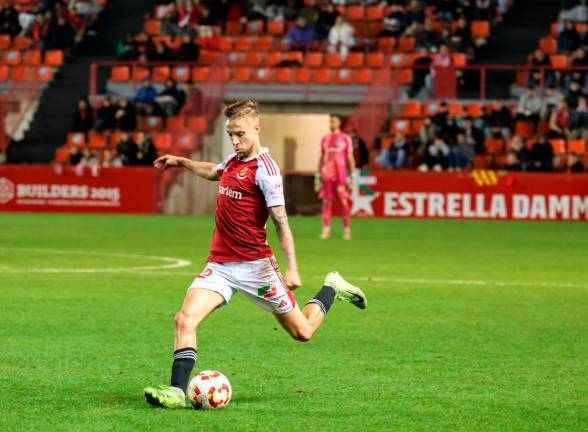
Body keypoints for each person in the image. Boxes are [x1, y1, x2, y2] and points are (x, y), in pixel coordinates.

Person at [143, 99, 366, 409]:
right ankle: (177, 392)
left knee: (303, 332)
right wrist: (180, 161)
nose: (235, 141)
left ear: (257, 128)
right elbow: (212, 171)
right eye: (231, 134)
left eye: (240, 134)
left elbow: (281, 223)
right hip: (220, 266)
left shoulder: (267, 171)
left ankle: (332, 287)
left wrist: (293, 269)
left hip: (257, 268)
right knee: (184, 319)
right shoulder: (234, 162)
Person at [315, 114, 355, 241]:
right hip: (327, 175)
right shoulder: (325, 139)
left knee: (344, 203)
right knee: (327, 202)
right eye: (330, 121)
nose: (331, 123)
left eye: (334, 121)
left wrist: (352, 175)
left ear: (339, 122)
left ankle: (347, 230)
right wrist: (317, 175)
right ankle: (326, 230)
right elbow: (321, 157)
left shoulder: (345, 138)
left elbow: (350, 158)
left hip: (340, 175)